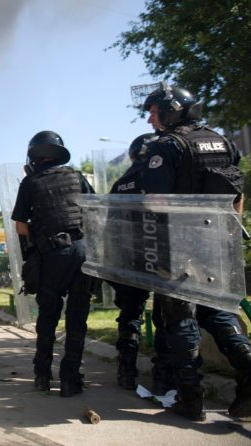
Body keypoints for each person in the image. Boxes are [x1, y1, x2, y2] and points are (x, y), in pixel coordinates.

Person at [138, 84, 251, 421]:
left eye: (153, 112)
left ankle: (191, 400)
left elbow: (155, 201)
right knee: (218, 310)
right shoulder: (223, 141)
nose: (150, 119)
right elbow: (237, 196)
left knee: (179, 317)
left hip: (179, 245)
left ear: (171, 111)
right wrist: (227, 232)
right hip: (217, 243)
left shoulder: (167, 146)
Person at [11, 131, 95, 397]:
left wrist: (35, 247)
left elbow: (21, 227)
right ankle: (71, 379)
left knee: (48, 315)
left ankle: (42, 375)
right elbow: (95, 212)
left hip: (51, 255)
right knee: (77, 317)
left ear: (33, 156)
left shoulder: (30, 182)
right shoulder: (77, 177)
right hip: (81, 252)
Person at [108, 133, 175, 394]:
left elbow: (111, 229)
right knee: (165, 316)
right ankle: (163, 377)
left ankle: (126, 371)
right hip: (165, 259)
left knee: (130, 315)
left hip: (131, 261)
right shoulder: (165, 177)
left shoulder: (121, 183)